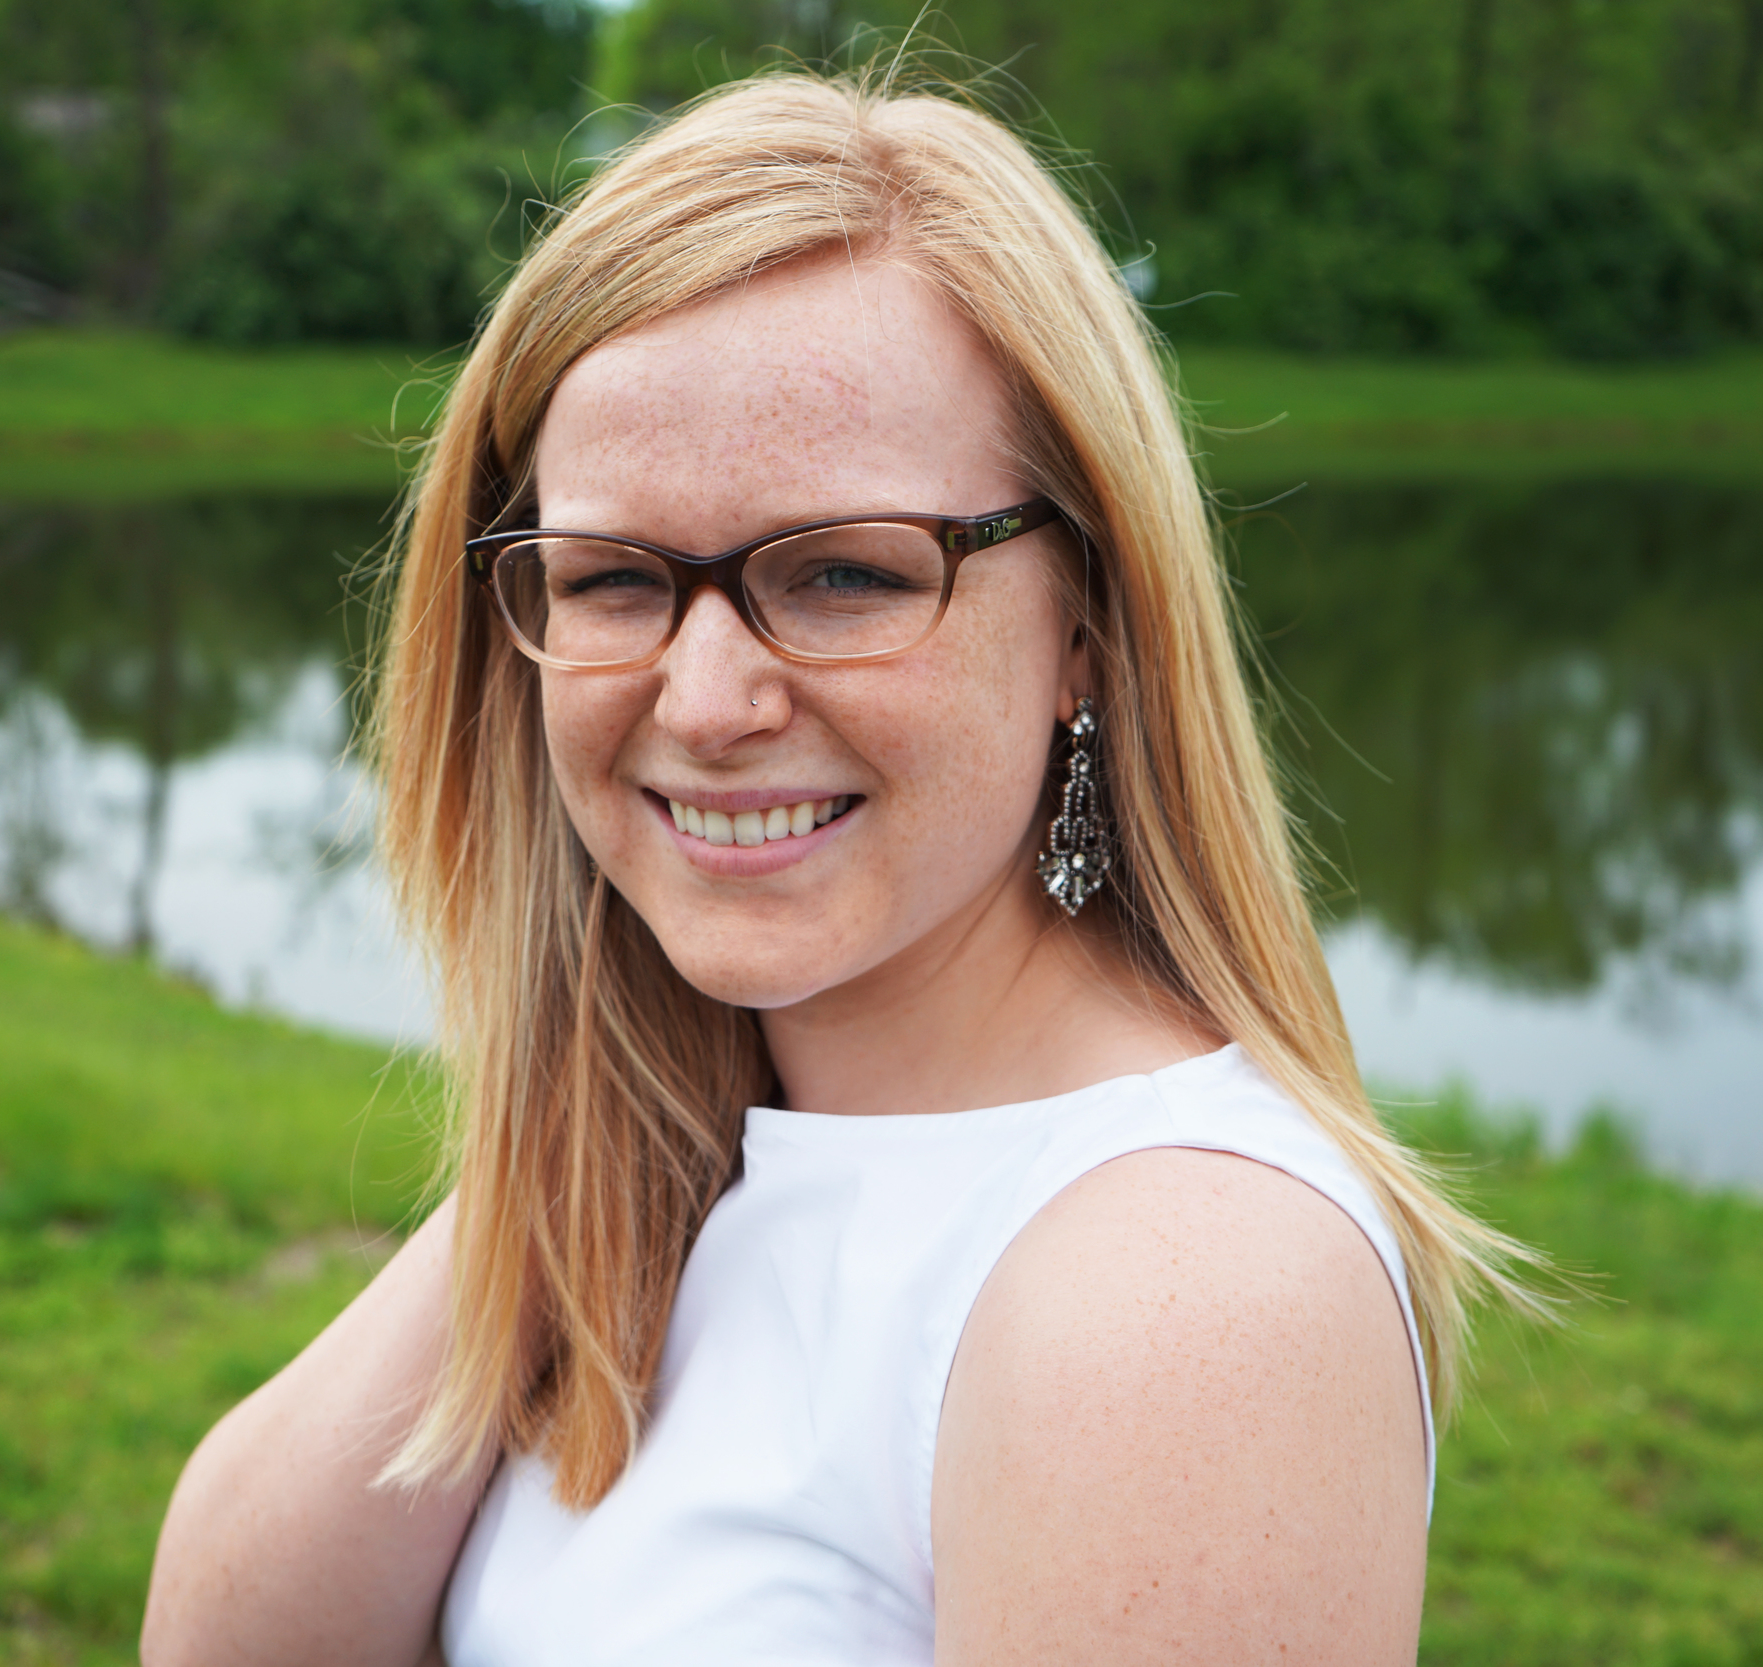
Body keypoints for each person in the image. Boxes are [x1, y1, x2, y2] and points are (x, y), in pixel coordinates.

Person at [142, 68, 1536, 1667]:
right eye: (610, 580)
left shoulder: (1181, 1293)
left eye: (847, 574)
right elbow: (224, 1637)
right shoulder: (682, 1146)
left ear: (1087, 627)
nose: (710, 700)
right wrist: (567, 1131)